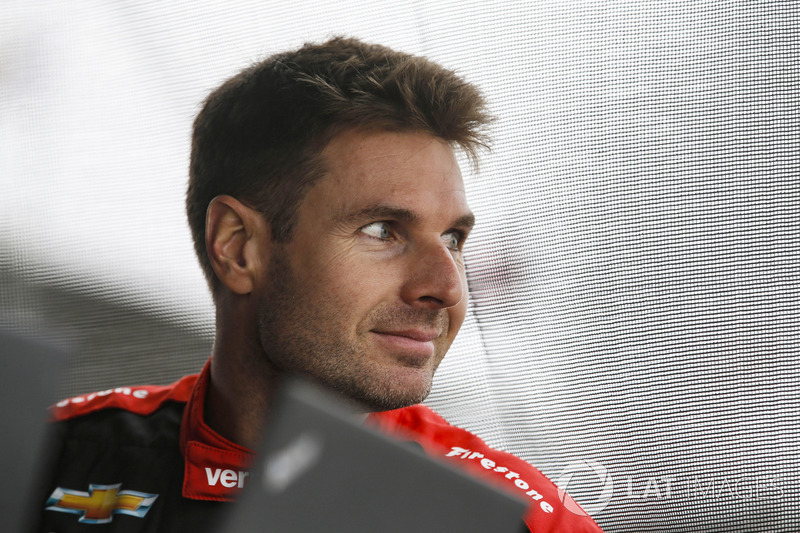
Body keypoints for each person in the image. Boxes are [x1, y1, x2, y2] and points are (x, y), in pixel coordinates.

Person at [32, 37, 604, 532]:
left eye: (453, 238)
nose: (446, 287)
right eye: (384, 231)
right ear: (237, 246)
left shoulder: (519, 519)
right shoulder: (39, 460)